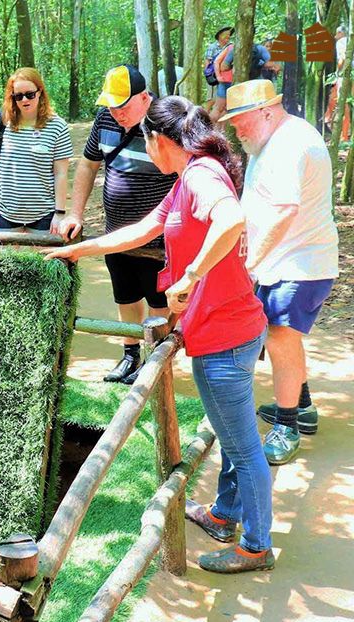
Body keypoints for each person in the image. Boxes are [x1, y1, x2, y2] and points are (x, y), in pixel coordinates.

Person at [48, 96, 274, 574]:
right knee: (233, 436)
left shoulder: (200, 175)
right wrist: (80, 250)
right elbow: (141, 230)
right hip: (229, 328)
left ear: (159, 140)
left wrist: (189, 276)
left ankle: (255, 546)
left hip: (225, 335)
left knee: (243, 448)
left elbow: (231, 220)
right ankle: (224, 515)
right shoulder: (187, 177)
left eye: (145, 140)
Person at [222, 80, 339, 465]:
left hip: (299, 263)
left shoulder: (290, 143)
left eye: (241, 123)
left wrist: (251, 263)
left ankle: (287, 426)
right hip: (284, 261)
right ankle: (301, 406)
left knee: (279, 337)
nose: (237, 133)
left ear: (266, 112)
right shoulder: (268, 140)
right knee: (283, 338)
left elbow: (286, 210)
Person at [57, 65, 176, 385]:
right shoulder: (105, 121)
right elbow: (88, 165)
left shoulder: (165, 123)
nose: (116, 112)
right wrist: (75, 214)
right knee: (125, 296)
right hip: (117, 235)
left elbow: (186, 175)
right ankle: (130, 355)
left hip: (160, 239)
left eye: (122, 105)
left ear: (144, 98)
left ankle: (157, 360)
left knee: (159, 301)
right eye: (110, 104)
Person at [0, 67, 72, 232]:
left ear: (40, 92)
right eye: (18, 96)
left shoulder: (57, 126)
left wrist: (59, 212)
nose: (24, 100)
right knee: (3, 259)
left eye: (30, 94)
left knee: (44, 258)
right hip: (3, 211)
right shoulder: (2, 121)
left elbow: (61, 173)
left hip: (44, 213)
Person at [324, 26, 351, 141]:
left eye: (336, 34)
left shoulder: (341, 42)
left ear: (341, 33)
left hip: (345, 75)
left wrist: (338, 73)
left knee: (343, 104)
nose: (335, 37)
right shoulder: (350, 41)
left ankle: (344, 137)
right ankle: (328, 119)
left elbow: (342, 59)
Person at [204, 27, 233, 116]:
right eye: (225, 35)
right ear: (220, 35)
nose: (227, 37)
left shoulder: (229, 47)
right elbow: (207, 62)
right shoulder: (212, 47)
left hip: (224, 77)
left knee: (220, 100)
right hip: (214, 76)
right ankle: (204, 116)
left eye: (229, 35)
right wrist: (209, 76)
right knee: (211, 99)